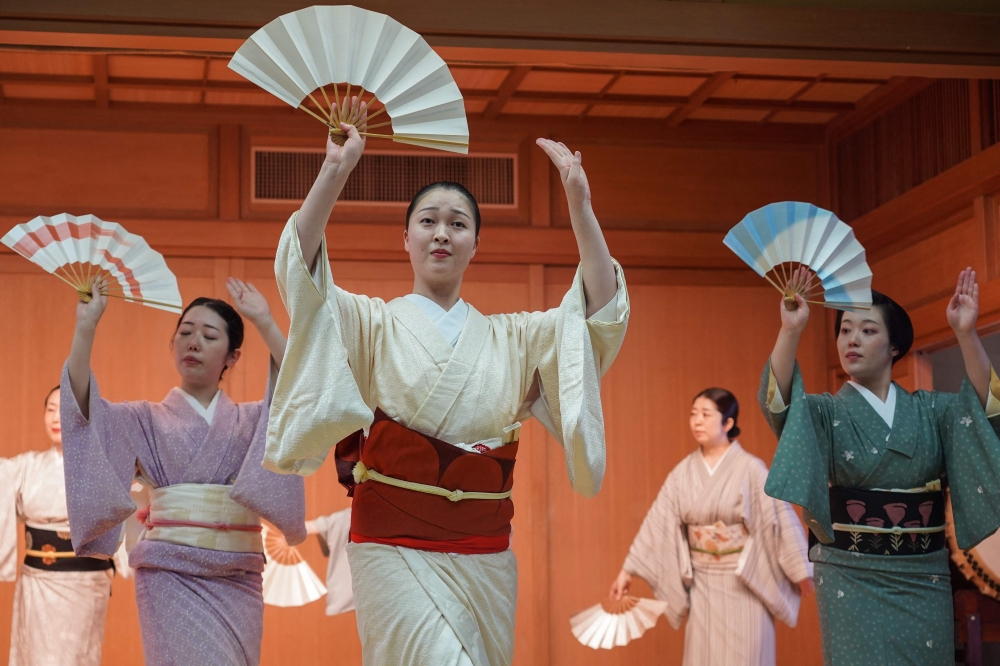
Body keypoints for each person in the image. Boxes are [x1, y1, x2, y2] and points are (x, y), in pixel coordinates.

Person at [266, 98, 629, 666]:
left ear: (475, 246)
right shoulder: (372, 322)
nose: (442, 233)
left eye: (458, 224)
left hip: (482, 550)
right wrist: (334, 170)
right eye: (428, 221)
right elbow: (303, 280)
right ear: (405, 238)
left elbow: (597, 315)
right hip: (391, 542)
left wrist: (580, 206)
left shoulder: (514, 336)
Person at [60, 277, 307, 666]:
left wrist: (264, 321)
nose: (193, 343)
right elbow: (82, 411)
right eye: (185, 332)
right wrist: (86, 327)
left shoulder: (253, 420)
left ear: (233, 356)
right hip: (168, 573)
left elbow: (301, 391)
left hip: (238, 576)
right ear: (172, 344)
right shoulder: (141, 419)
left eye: (210, 336)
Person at [761, 267, 1000, 665]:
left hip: (923, 575)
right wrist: (790, 331)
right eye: (845, 330)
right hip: (848, 575)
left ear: (894, 347)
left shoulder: (931, 411)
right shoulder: (824, 412)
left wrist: (965, 334)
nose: (852, 339)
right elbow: (779, 407)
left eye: (868, 331)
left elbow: (987, 411)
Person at [609, 388, 812, 665]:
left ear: (728, 423)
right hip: (703, 587)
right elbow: (657, 523)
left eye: (706, 415)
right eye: (693, 415)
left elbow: (778, 519)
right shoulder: (683, 473)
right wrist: (628, 570)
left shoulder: (751, 469)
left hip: (746, 585)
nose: (697, 421)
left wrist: (801, 569)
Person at [0, 387, 114, 666]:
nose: (56, 417)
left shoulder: (104, 467)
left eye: (64, 410)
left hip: (85, 584)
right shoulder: (25, 466)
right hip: (37, 581)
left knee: (76, 656)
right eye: (50, 409)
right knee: (35, 656)